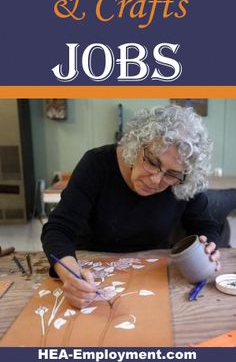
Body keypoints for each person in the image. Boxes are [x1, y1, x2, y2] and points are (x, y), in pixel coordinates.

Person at [41, 105, 221, 309]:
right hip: (91, 272)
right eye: (152, 162)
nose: (155, 179)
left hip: (156, 276)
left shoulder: (183, 180)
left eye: (171, 174)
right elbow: (58, 229)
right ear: (136, 145)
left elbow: (206, 226)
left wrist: (210, 247)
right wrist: (70, 274)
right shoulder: (96, 164)